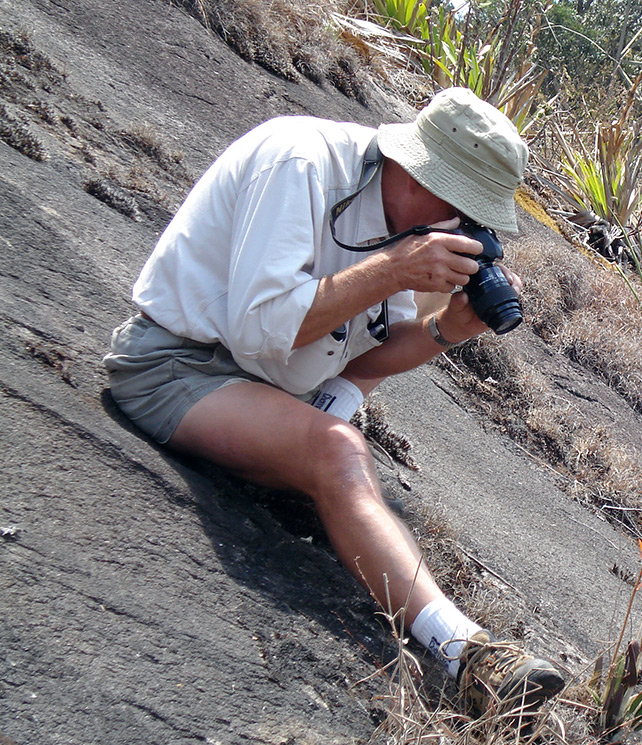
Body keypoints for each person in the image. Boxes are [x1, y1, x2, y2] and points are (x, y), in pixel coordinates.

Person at [103, 87, 565, 717]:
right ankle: (469, 657)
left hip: (259, 386)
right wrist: (393, 270)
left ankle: (462, 646)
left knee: (340, 457)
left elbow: (362, 351)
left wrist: (446, 330)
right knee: (339, 453)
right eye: (458, 205)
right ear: (414, 168)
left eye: (473, 217)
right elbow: (259, 326)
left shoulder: (404, 218)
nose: (460, 227)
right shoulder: (301, 163)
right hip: (176, 365)